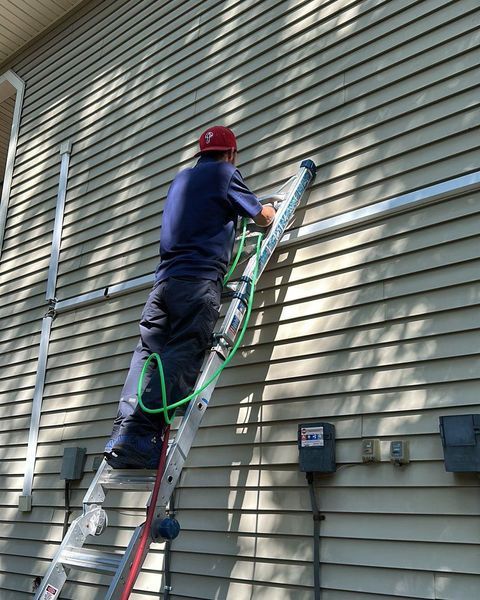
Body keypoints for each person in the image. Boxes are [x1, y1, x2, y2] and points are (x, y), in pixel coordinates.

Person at [104, 125, 276, 469]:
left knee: (148, 352)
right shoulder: (225, 174)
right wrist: (269, 208)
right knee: (184, 349)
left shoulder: (181, 180)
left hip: (164, 284)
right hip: (197, 282)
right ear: (231, 154)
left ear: (201, 154)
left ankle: (124, 430)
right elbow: (261, 217)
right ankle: (140, 433)